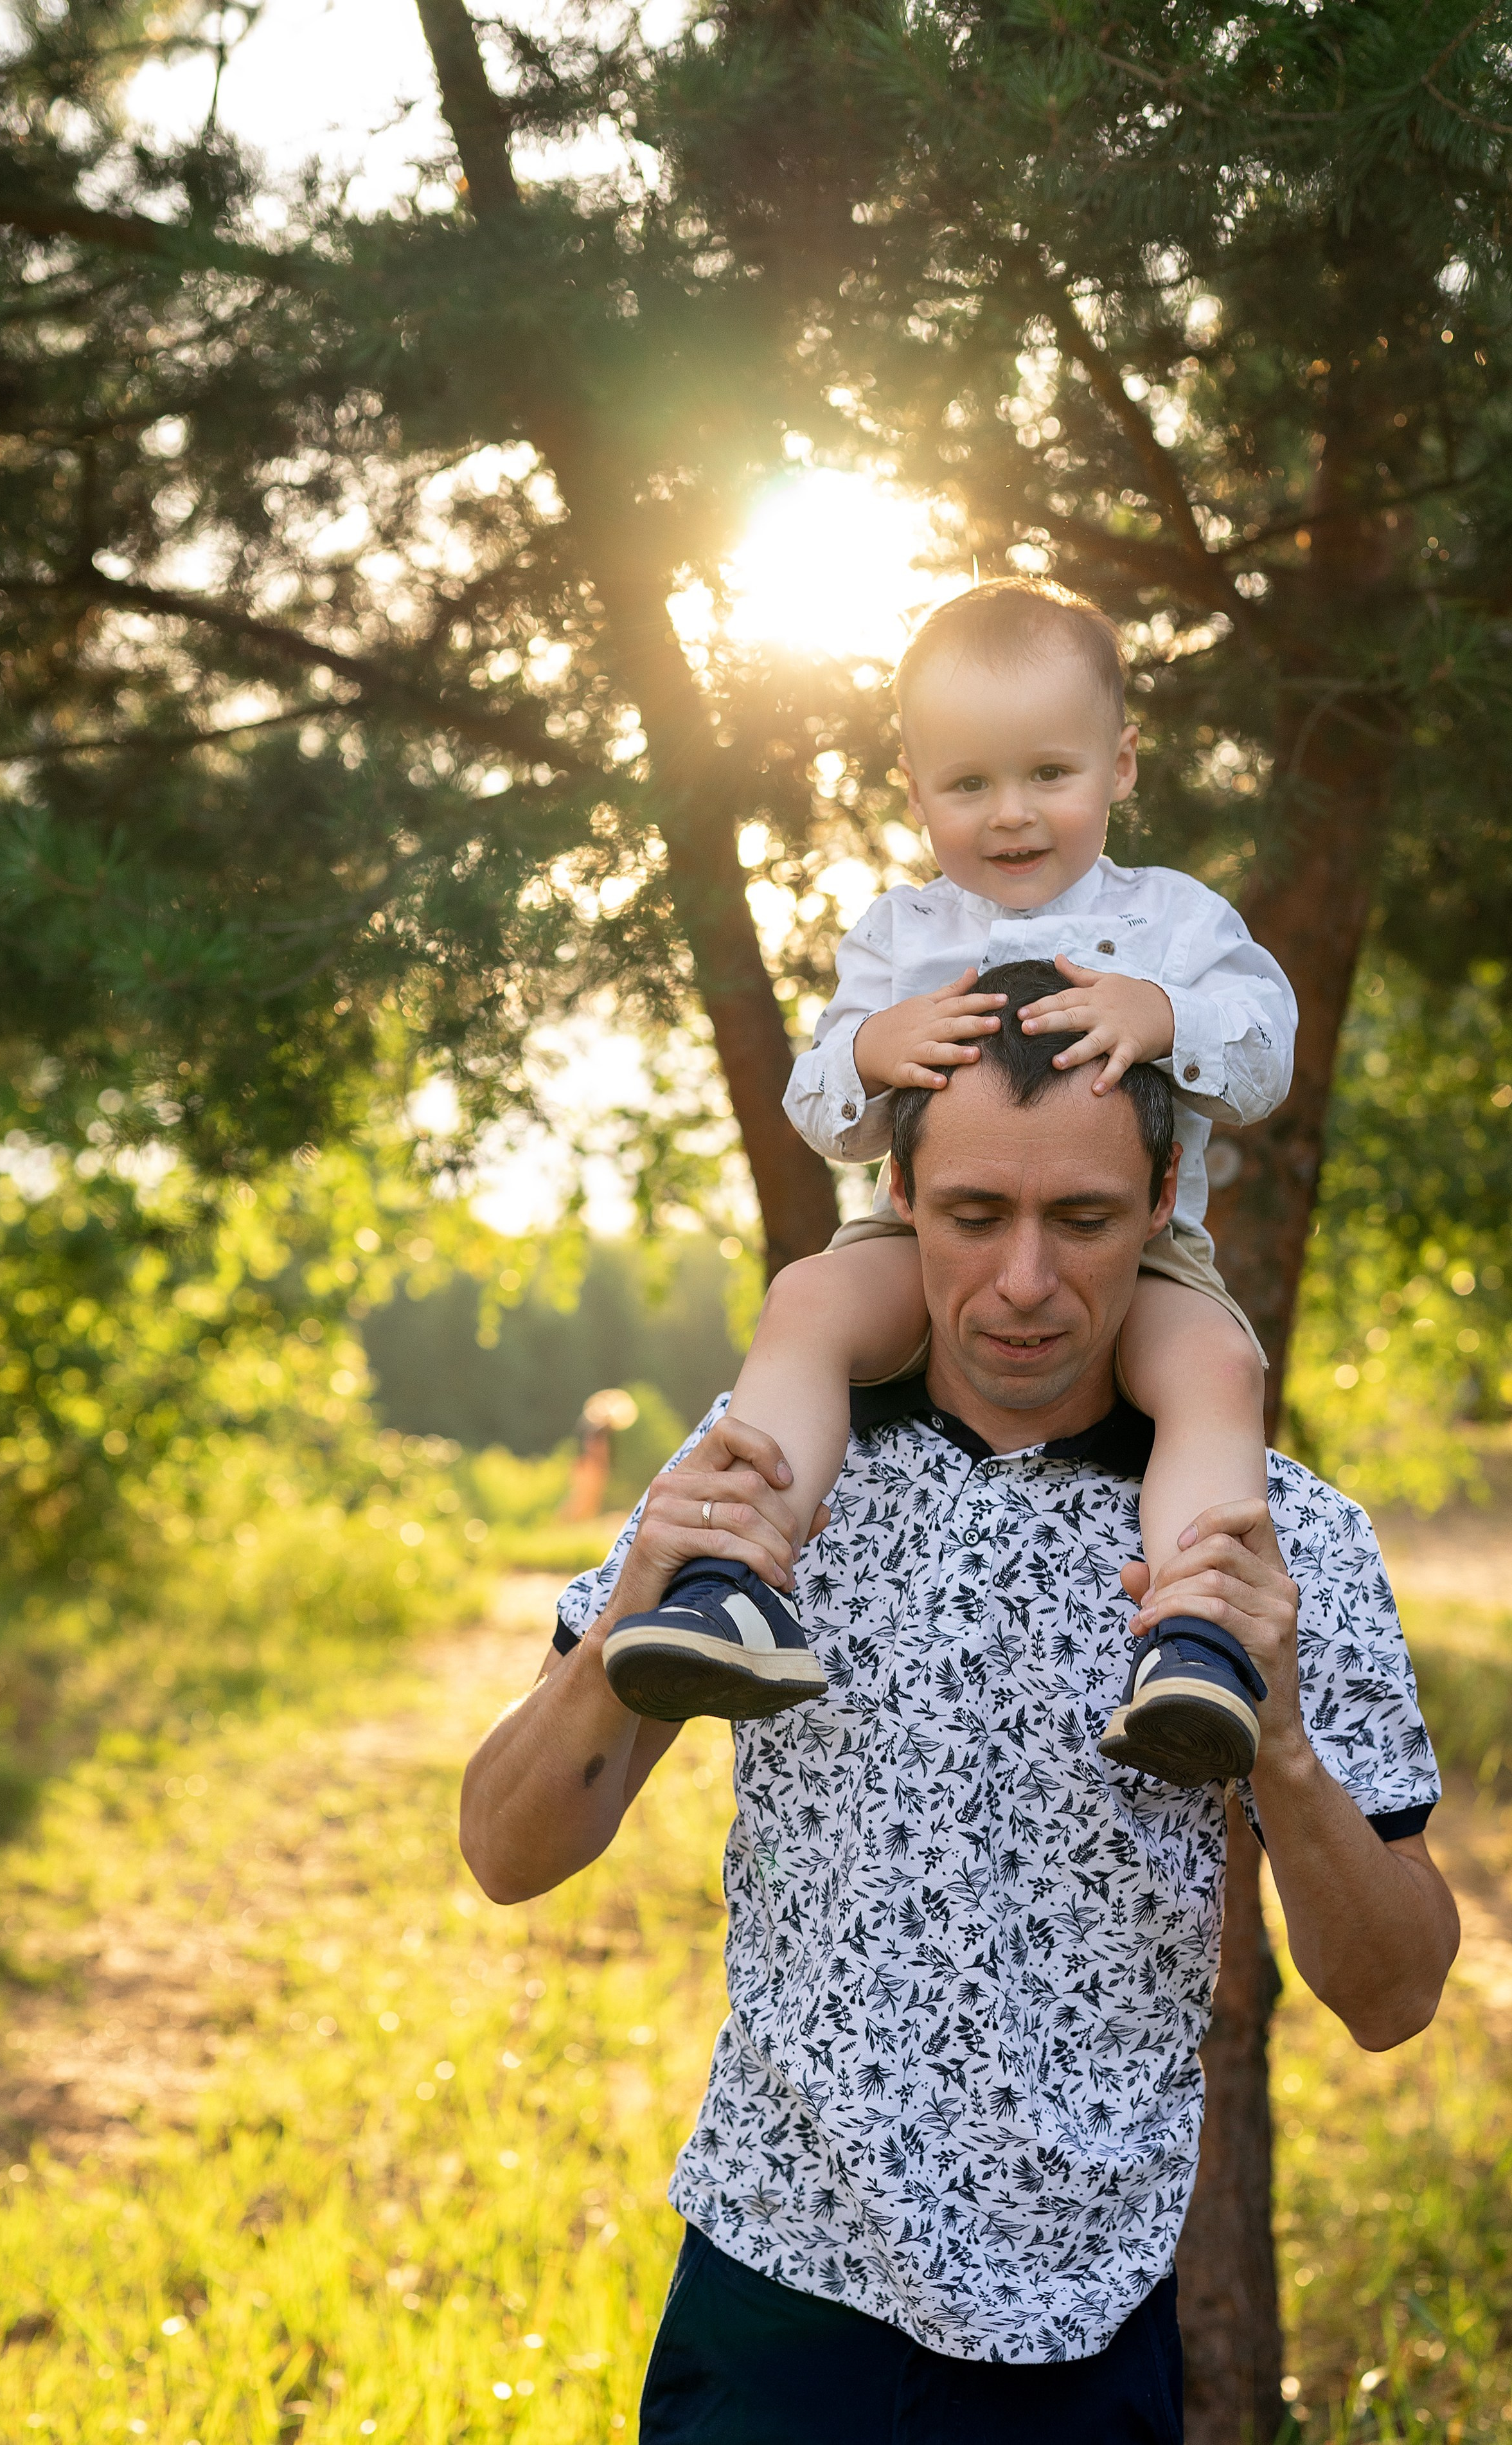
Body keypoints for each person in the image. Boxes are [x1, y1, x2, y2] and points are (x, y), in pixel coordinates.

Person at [459, 1015, 1457, 2444]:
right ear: (900, 1201)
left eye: (1086, 1218)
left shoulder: (1274, 1536)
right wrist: (622, 1622)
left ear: (1164, 1204)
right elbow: (502, 1852)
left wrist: (1280, 1746)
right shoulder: (767, 1470)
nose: (1025, 1281)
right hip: (772, 2293)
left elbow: (1394, 1996)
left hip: (1081, 2328)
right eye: (975, 1215)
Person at [602, 580, 1297, 1791]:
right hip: (919, 1236)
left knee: (1217, 1371)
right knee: (807, 1302)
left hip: (1139, 1256)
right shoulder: (898, 936)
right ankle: (732, 1584)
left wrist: (1169, 1012)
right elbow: (824, 1114)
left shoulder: (1175, 922)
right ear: (917, 791)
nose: (1012, 814)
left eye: (1049, 774)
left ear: (1122, 765)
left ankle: (1197, 1640)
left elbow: (1265, 1060)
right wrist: (867, 1054)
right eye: (969, 785)